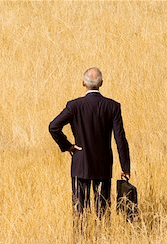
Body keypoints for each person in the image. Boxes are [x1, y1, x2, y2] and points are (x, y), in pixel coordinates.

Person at [49, 67, 130, 220]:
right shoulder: (112, 106)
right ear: (102, 83)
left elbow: (53, 127)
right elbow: (120, 139)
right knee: (103, 212)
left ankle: (81, 241)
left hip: (81, 164)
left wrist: (68, 146)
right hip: (103, 165)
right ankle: (103, 241)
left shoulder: (74, 106)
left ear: (83, 83)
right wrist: (125, 167)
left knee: (80, 212)